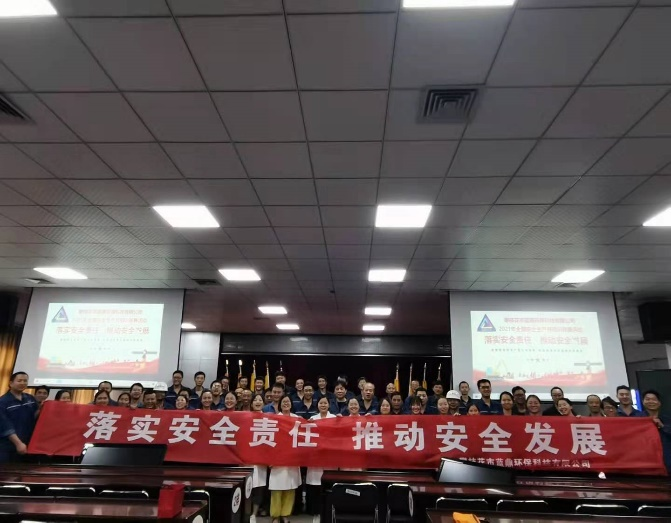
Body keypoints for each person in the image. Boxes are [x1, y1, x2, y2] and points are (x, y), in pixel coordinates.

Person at [269, 395, 302, 523]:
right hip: (277, 457)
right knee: (277, 488)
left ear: (291, 404)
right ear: (280, 404)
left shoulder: (297, 419)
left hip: (293, 458)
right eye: (284, 402)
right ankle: (275, 516)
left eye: (288, 401)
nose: (286, 404)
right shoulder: (274, 419)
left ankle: (285, 514)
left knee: (290, 488)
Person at [307, 397, 336, 522]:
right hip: (316, 456)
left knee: (328, 487)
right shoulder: (313, 418)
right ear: (317, 405)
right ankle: (316, 513)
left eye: (325, 403)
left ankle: (328, 512)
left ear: (329, 405)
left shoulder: (334, 418)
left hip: (330, 457)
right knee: (316, 488)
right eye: (321, 403)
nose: (323, 405)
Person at [0, 371, 38, 463]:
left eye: (25, 381)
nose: (22, 383)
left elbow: (35, 417)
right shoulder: (3, 401)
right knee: (9, 471)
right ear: (11, 383)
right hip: (8, 446)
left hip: (28, 444)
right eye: (19, 380)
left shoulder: (30, 399)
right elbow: (5, 426)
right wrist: (18, 443)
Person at [641, 390, 671, 473]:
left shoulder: (668, 419)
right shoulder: (637, 419)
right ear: (643, 402)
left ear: (659, 403)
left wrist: (663, 426)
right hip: (646, 460)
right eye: (647, 399)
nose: (651, 401)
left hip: (667, 460)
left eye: (654, 399)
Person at [249, 393, 268, 523]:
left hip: (261, 459)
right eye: (255, 400)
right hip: (247, 458)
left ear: (263, 403)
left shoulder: (268, 418)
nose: (257, 402)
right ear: (251, 403)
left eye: (260, 400)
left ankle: (254, 514)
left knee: (259, 488)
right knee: (248, 487)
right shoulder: (245, 417)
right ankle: (246, 511)